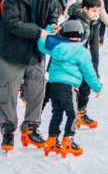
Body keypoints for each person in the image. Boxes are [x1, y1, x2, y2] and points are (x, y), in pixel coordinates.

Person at [0, 0, 61, 153]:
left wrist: (53, 25)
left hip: (35, 51)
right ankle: (8, 128)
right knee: (8, 92)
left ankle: (31, 127)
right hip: (12, 52)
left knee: (36, 92)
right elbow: (11, 23)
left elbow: (52, 14)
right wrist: (38, 31)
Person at [38, 19, 102, 158]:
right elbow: (89, 73)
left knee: (57, 114)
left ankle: (52, 141)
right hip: (69, 88)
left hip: (54, 86)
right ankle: (68, 140)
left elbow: (41, 43)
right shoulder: (82, 51)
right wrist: (97, 87)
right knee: (73, 115)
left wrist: (48, 28)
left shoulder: (56, 46)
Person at [63, 0, 103, 130]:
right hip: (70, 61)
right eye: (94, 11)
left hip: (81, 59)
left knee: (85, 84)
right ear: (85, 9)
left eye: (98, 11)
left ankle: (81, 113)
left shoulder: (92, 22)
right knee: (68, 90)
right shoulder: (77, 23)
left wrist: (94, 70)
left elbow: (94, 48)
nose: (97, 14)